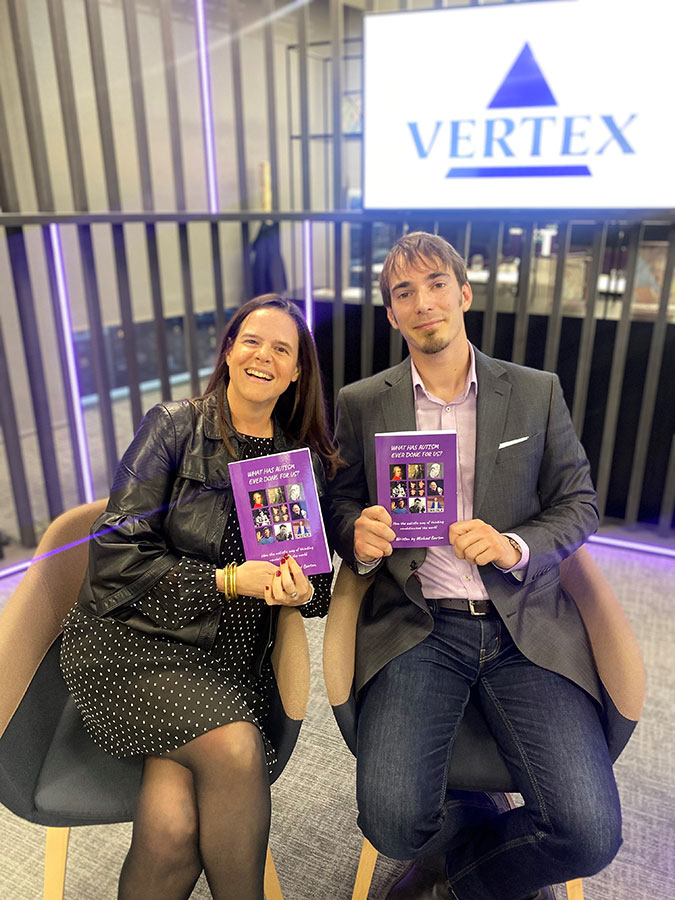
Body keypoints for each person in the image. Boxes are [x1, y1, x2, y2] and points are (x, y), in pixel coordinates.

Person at [327, 233, 625, 900]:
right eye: (403, 292)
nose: (422, 301)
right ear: (390, 314)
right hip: (417, 625)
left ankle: (461, 883)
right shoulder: (362, 403)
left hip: (525, 625)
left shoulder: (532, 392)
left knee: (589, 834)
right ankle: (475, 828)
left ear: (462, 294)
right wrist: (359, 531)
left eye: (435, 284)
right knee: (391, 824)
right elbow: (340, 504)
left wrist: (513, 545)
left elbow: (578, 503)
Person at [60, 294, 341, 900]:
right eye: (251, 341)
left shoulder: (299, 463)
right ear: (230, 351)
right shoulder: (174, 426)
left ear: (296, 374)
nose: (263, 356)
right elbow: (113, 556)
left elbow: (317, 587)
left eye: (281, 349)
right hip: (136, 643)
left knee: (174, 829)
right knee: (236, 748)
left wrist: (298, 590)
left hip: (228, 661)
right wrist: (225, 580)